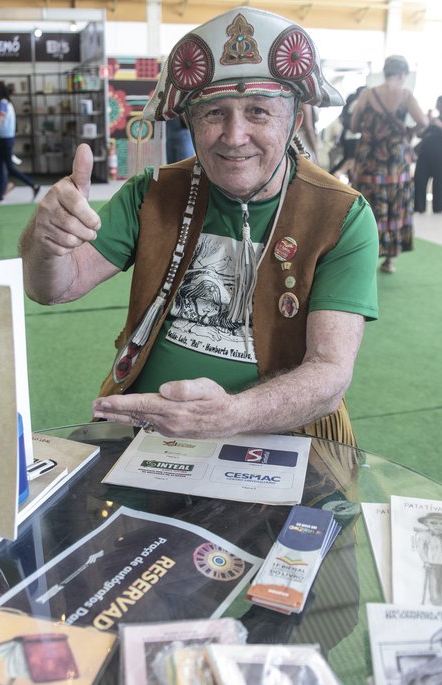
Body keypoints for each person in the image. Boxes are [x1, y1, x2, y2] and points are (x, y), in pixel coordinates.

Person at [19, 7, 379, 445]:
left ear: (294, 121)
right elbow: (53, 288)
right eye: (213, 113)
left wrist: (232, 414)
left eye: (258, 112)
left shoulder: (341, 215)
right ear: (190, 122)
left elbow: (330, 371)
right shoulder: (152, 192)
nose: (234, 135)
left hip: (283, 435)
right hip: (149, 425)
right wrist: (46, 242)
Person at [349, 55, 428, 273]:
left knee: (367, 202)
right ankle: (389, 260)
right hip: (396, 161)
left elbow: (354, 126)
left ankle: (362, 252)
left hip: (370, 159)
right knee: (395, 203)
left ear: (386, 72)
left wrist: (372, 130)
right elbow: (423, 122)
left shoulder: (367, 94)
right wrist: (408, 132)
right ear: (403, 74)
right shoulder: (405, 95)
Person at [0, 80, 40, 202]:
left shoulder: (2, 103)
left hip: (5, 139)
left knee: (9, 168)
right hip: (4, 139)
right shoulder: (7, 103)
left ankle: (33, 185)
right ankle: (0, 195)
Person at [412, 512, 442, 607]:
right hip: (433, 565)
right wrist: (426, 561)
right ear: (426, 524)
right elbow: (421, 550)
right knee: (434, 584)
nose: (439, 526)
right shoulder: (424, 537)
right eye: (433, 523)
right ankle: (436, 602)